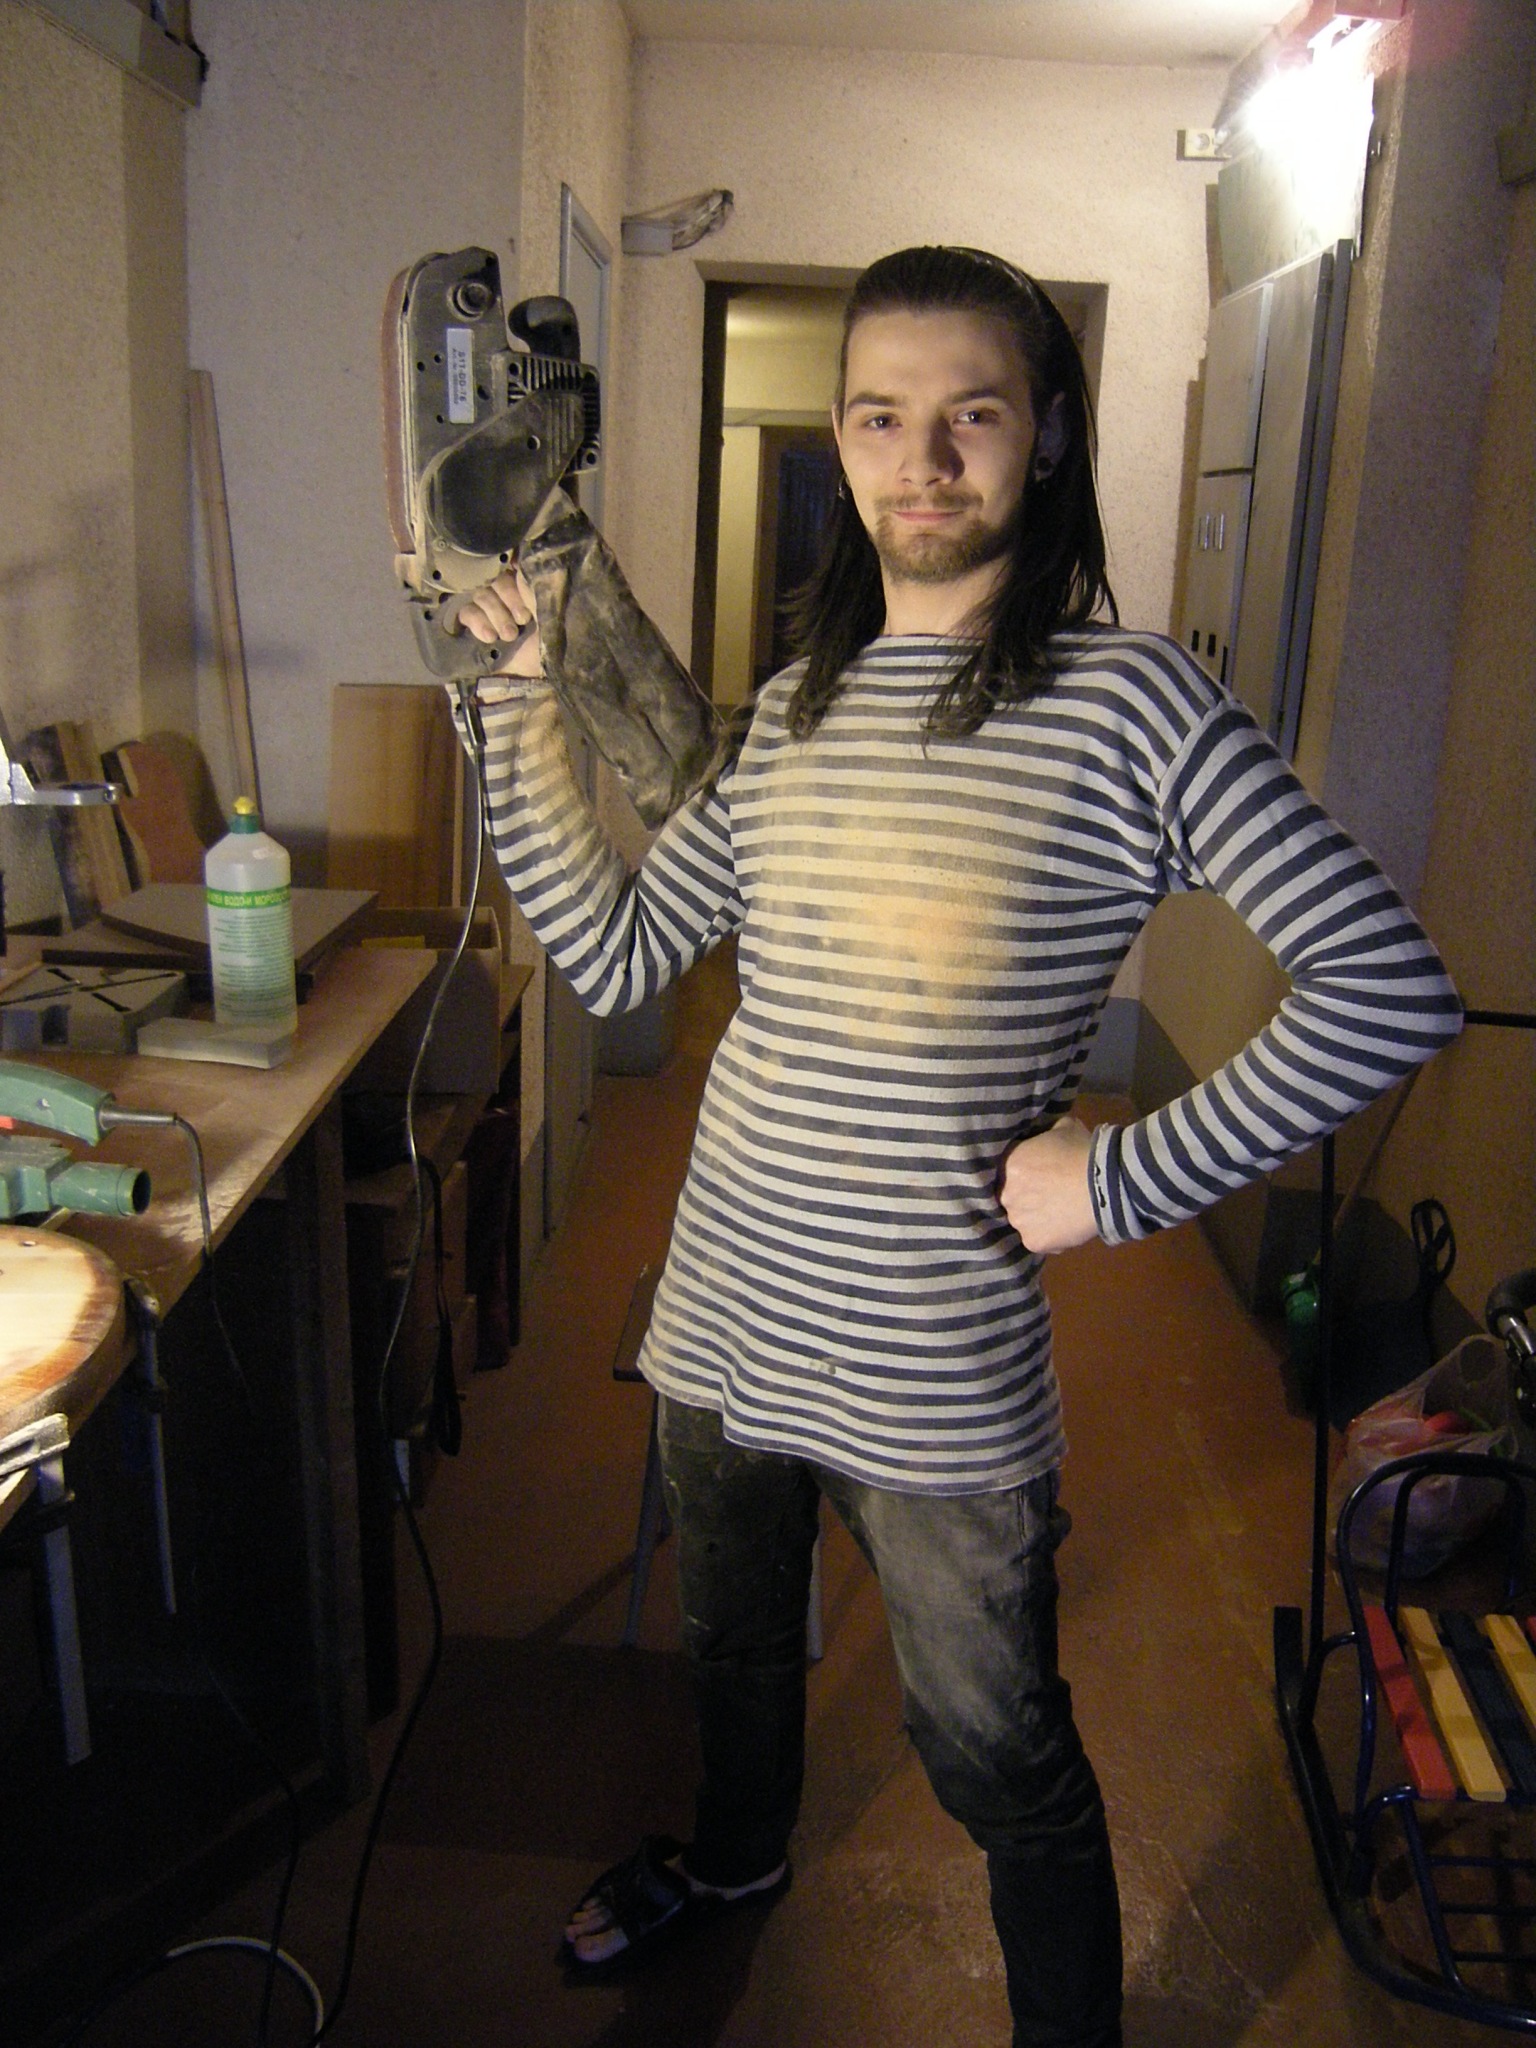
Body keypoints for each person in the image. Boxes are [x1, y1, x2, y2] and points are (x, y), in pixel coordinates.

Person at [450, 245, 1461, 2047]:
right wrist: (520, 704)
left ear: (1047, 435)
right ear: (841, 443)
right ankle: (737, 1861)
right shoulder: (796, 707)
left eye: (970, 415)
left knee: (994, 1750)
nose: (921, 460)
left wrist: (1114, 1179)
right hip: (722, 1317)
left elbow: (1384, 989)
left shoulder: (1135, 705)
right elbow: (614, 955)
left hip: (933, 1363)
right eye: (880, 418)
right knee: (734, 1651)